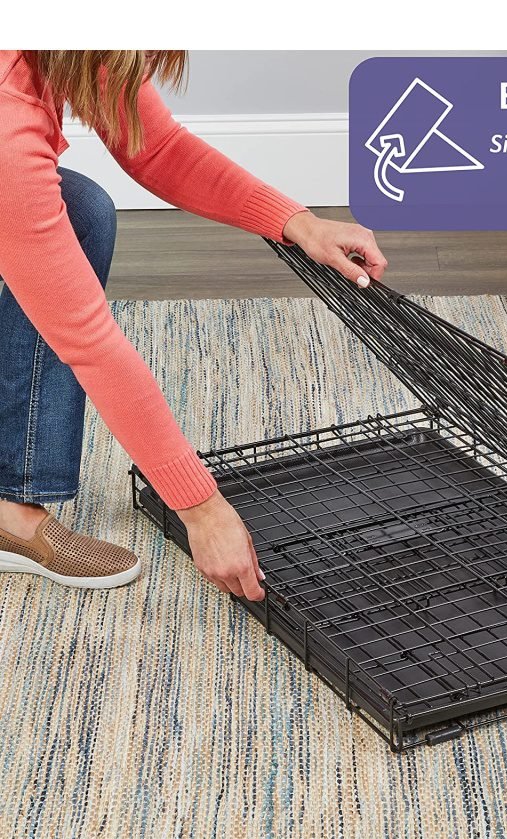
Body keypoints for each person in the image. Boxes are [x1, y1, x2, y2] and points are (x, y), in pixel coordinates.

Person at [0, 50, 388, 602]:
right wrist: (202, 510)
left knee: (81, 210)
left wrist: (297, 222)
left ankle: (10, 502)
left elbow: (157, 148)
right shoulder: (9, 126)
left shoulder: (67, 42)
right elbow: (88, 341)